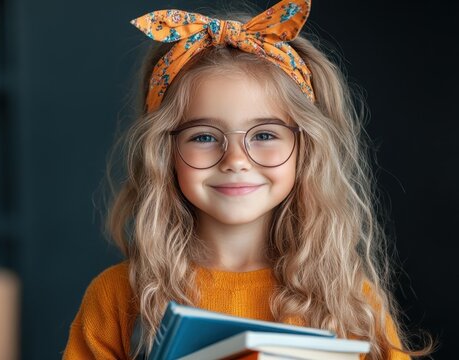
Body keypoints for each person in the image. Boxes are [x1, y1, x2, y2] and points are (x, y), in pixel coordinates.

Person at [62, 1, 436, 359]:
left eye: (265, 135)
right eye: (204, 137)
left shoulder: (348, 300)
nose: (236, 160)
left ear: (306, 148)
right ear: (165, 152)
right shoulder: (117, 296)